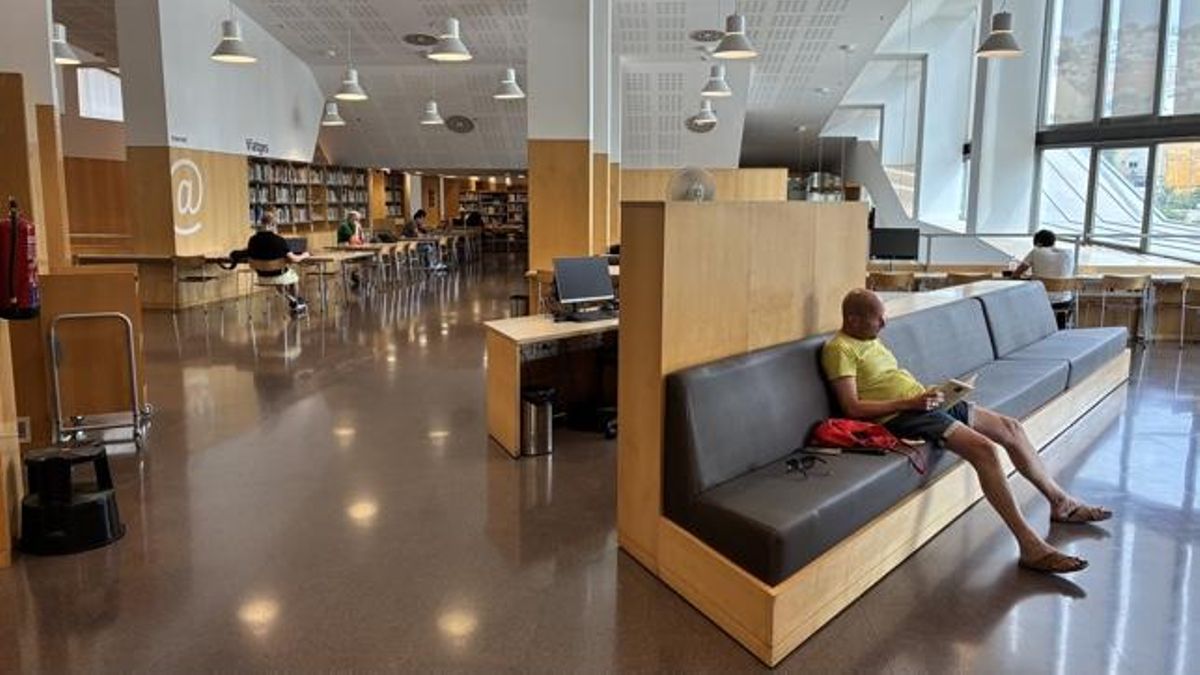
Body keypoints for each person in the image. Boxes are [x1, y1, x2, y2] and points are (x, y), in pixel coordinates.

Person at [821, 289, 1112, 574]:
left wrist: (933, 395)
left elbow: (889, 380)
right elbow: (852, 407)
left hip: (923, 403)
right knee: (985, 450)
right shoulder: (840, 349)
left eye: (884, 317)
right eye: (878, 319)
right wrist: (911, 402)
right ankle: (1030, 546)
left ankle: (1061, 502)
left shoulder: (872, 339)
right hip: (901, 416)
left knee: (1011, 428)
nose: (885, 324)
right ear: (854, 320)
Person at [247, 211, 310, 316]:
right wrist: (305, 255)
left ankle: (293, 300)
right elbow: (294, 259)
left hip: (261, 276)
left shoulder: (252, 240)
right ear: (272, 225)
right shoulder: (279, 240)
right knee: (292, 277)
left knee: (279, 280)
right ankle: (296, 300)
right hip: (278, 275)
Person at [1013, 229, 1075, 327]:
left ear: (1038, 242)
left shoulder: (1036, 251)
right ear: (1054, 242)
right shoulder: (1069, 253)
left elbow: (1016, 274)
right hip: (1065, 302)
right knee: (1064, 298)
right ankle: (1060, 328)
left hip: (1041, 300)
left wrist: (1030, 277)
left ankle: (1034, 328)